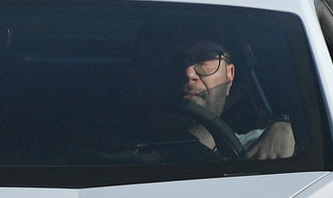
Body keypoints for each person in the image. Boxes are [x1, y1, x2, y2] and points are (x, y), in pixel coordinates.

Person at [119, 26, 296, 161]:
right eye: (170, 59)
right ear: (140, 76)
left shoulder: (260, 149)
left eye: (205, 58)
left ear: (229, 76)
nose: (188, 73)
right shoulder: (106, 157)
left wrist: (289, 128)